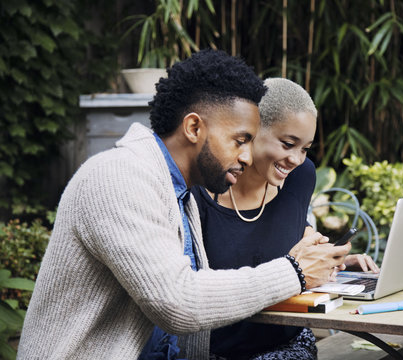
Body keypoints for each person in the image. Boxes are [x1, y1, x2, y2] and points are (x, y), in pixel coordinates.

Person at [17, 50, 351, 360]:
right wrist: (294, 271)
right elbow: (178, 302)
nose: (247, 156)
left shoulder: (175, 189)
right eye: (240, 140)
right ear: (193, 127)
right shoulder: (118, 176)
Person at [191, 78, 379, 359]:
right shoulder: (199, 192)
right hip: (217, 351)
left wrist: (330, 261)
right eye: (288, 144)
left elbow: (283, 242)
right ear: (252, 130)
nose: (296, 159)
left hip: (289, 343)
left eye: (305, 148)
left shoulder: (300, 178)